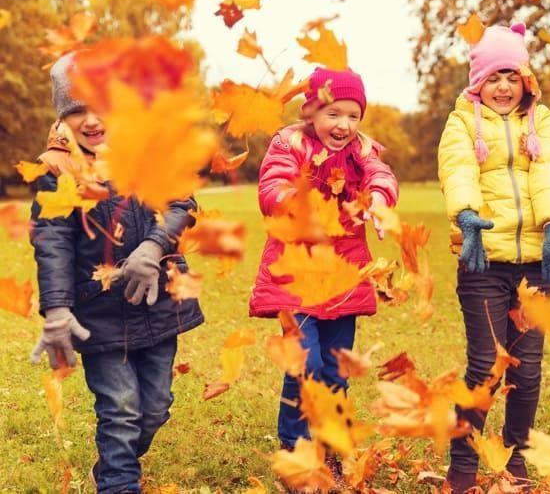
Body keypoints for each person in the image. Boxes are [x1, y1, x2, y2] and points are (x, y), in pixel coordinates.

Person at [29, 52, 204, 494]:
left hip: (157, 304)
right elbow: (52, 244)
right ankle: (118, 482)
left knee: (155, 408)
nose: (91, 120)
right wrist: (57, 310)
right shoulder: (57, 174)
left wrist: (153, 244)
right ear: (62, 118)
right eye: (76, 110)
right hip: (98, 313)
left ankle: (116, 461)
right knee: (121, 410)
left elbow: (182, 204)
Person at [437, 22, 550, 493]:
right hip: (483, 263)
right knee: (485, 366)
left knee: (526, 367)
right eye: (493, 77)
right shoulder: (462, 122)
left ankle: (517, 456)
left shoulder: (543, 122)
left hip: (535, 264)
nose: (503, 86)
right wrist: (466, 216)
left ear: (526, 81)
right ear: (478, 81)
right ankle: (463, 462)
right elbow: (457, 169)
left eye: (512, 77)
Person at [247, 67, 398, 472]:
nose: (343, 124)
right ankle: (297, 449)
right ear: (311, 111)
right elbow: (272, 187)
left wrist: (381, 200)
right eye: (333, 113)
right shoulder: (290, 143)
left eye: (353, 115)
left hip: (343, 277)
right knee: (306, 362)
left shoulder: (363, 149)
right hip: (296, 273)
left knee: (334, 366)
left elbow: (381, 175)